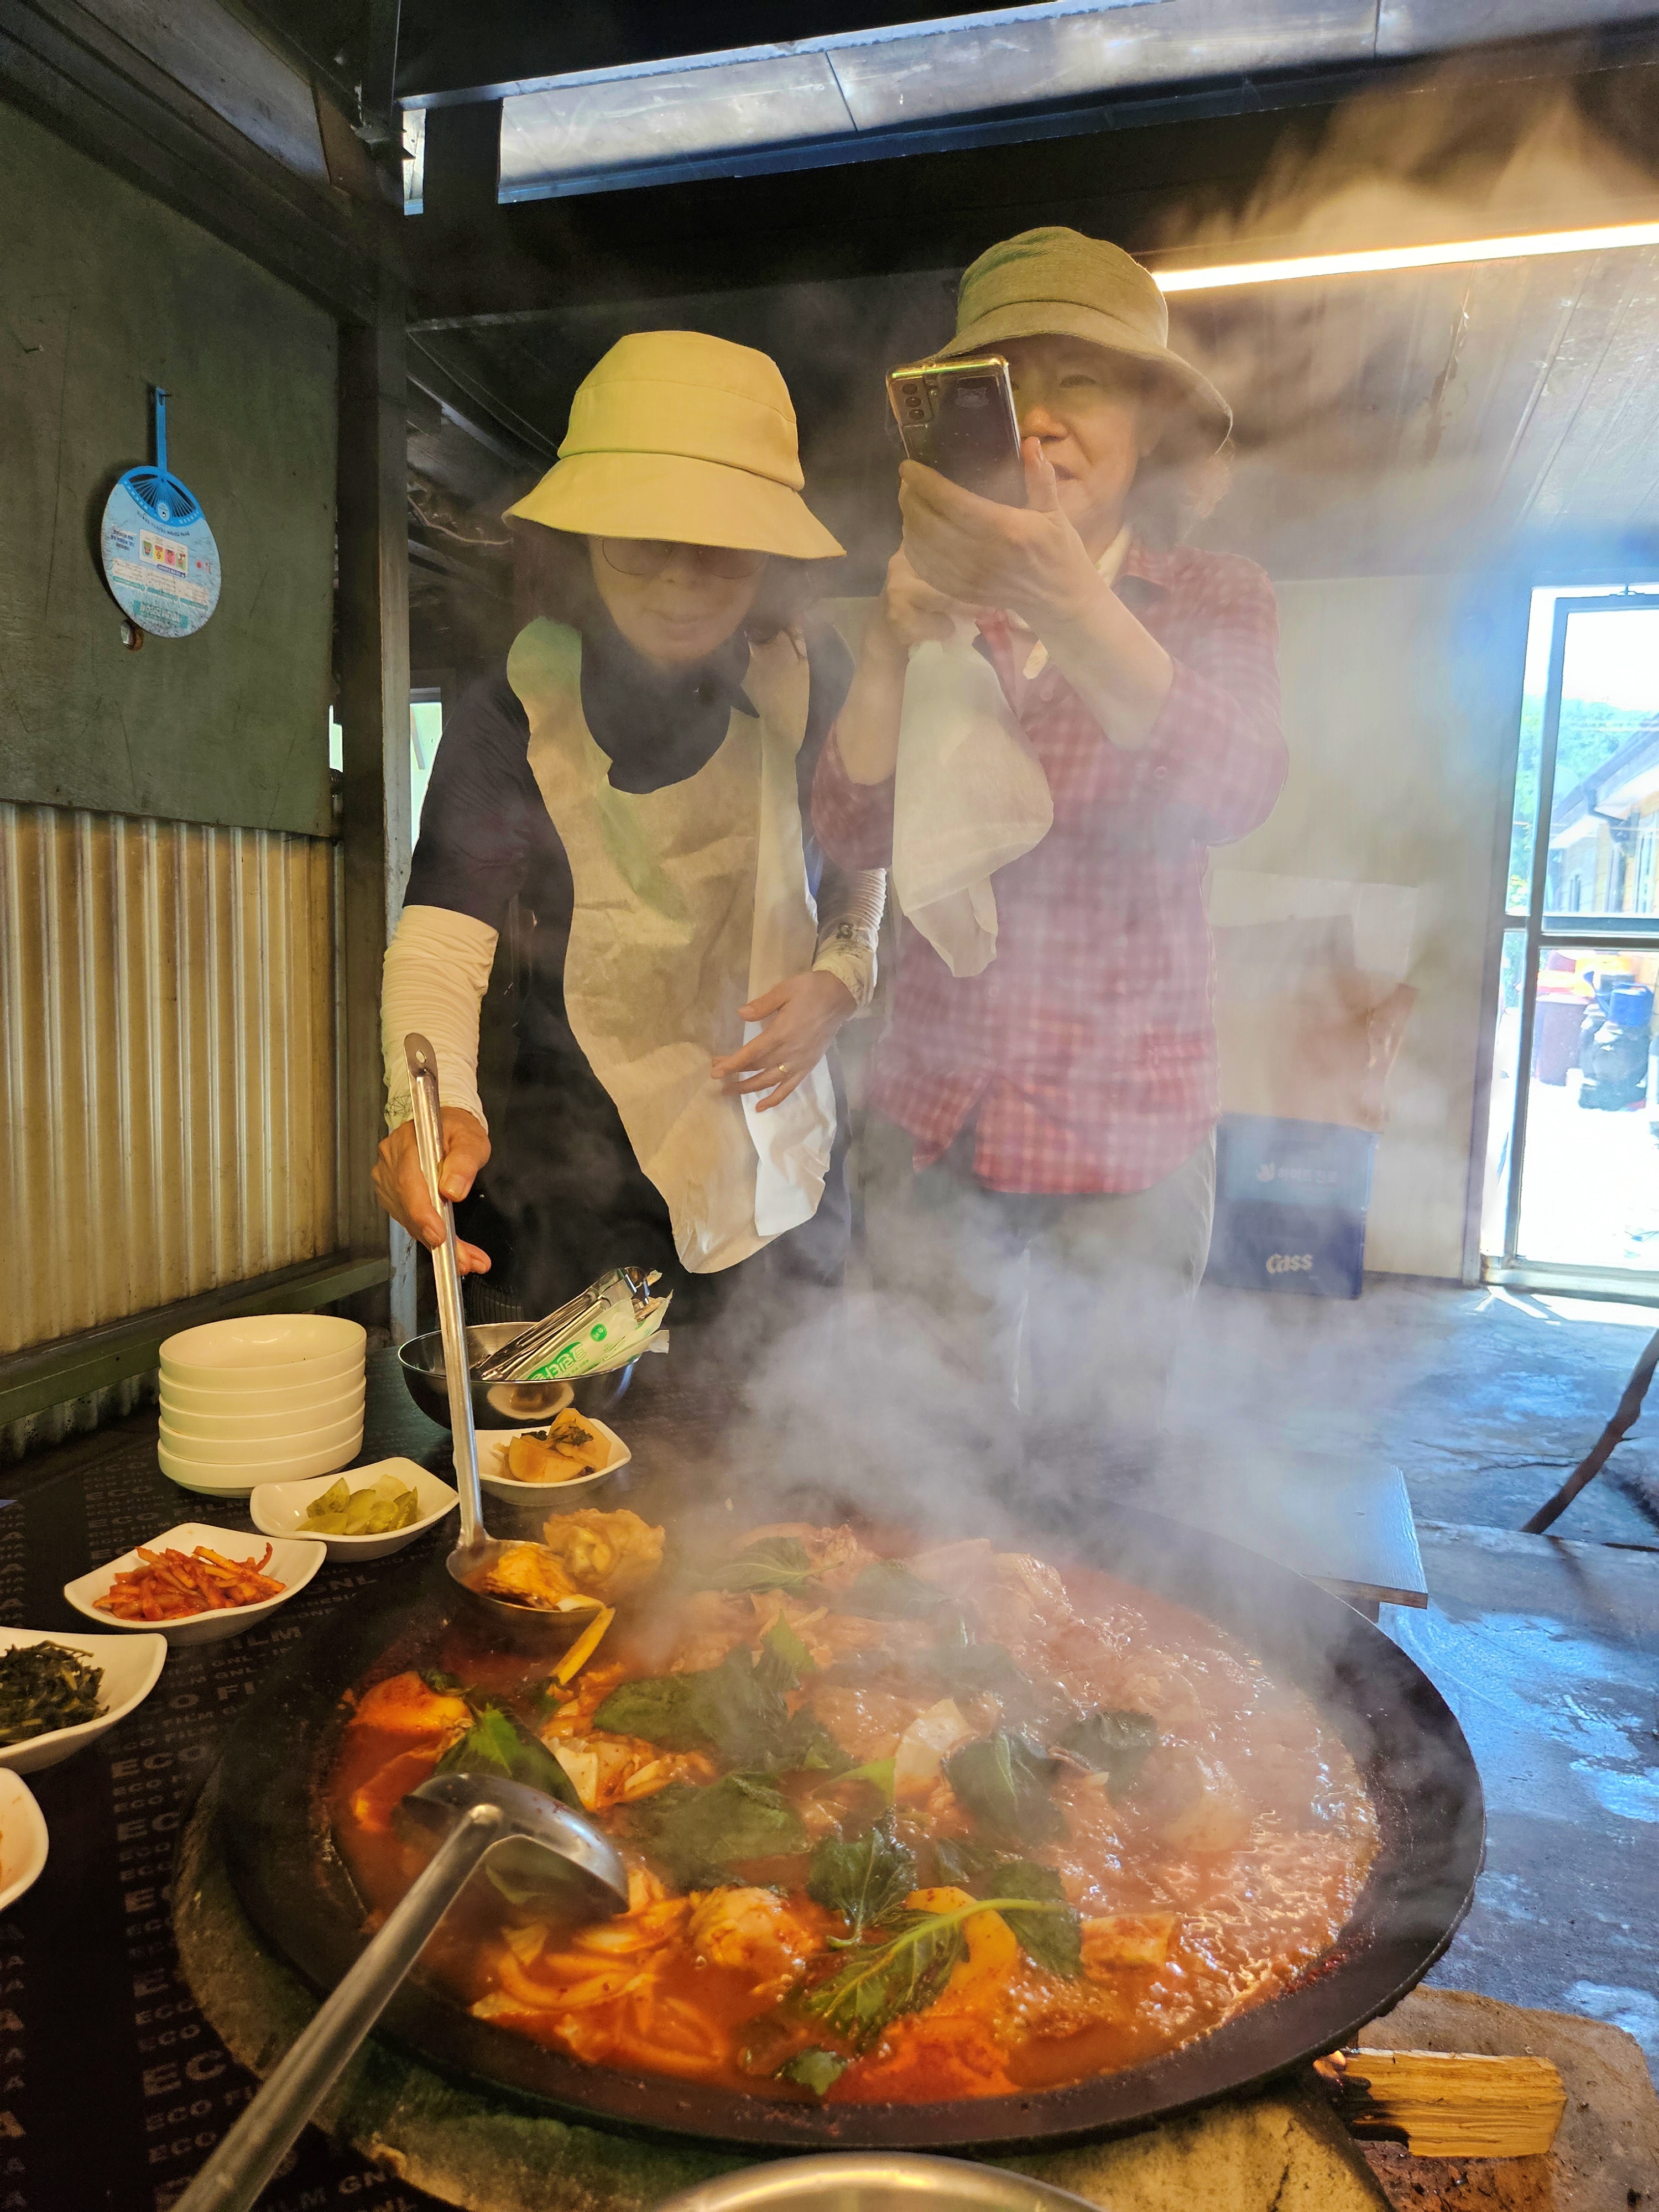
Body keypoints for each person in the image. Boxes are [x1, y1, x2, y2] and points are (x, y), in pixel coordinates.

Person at [814, 227, 1285, 1500]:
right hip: (935, 1107)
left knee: (1097, 1475)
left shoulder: (1214, 596)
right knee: (927, 1468)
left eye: (1082, 382)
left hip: (1131, 1121)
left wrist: (1072, 604)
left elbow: (1237, 783)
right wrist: (889, 648)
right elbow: (849, 833)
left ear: (1150, 427)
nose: (1044, 420)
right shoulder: (930, 600)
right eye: (1008, 385)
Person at [373, 330, 884, 1329]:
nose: (681, 578)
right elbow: (441, 946)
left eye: (721, 542)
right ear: (585, 535)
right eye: (643, 539)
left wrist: (843, 976)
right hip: (576, 1159)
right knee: (570, 1420)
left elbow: (865, 857)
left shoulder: (814, 677)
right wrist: (431, 1112)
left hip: (775, 1136)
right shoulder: (513, 707)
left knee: (789, 1410)